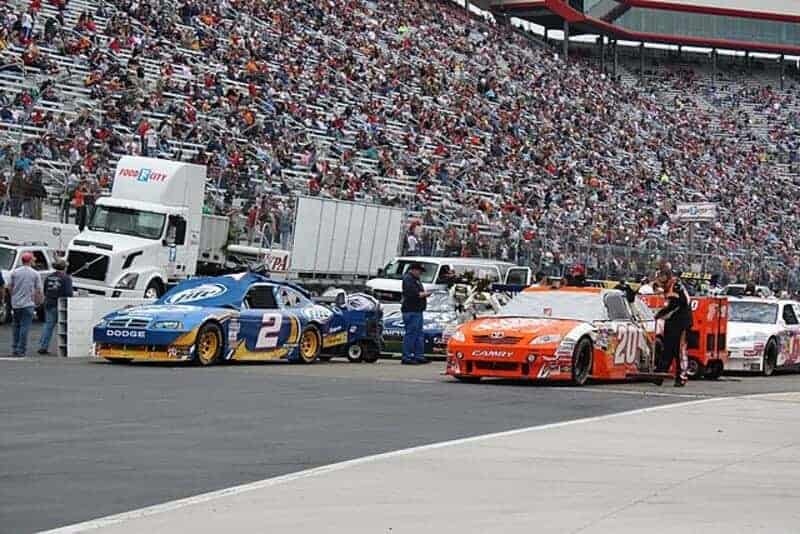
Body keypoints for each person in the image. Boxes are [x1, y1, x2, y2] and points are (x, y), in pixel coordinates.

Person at [654, 265, 692, 386]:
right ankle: (660, 375)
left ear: (667, 276)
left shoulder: (675, 285)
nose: (659, 279)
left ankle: (682, 376)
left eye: (661, 276)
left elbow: (677, 304)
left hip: (681, 323)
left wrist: (660, 313)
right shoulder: (668, 286)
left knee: (679, 350)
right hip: (671, 321)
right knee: (667, 349)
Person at [8, 252, 43, 357]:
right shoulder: (35, 273)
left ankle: (15, 348)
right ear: (30, 261)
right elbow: (38, 290)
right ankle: (21, 349)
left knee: (16, 326)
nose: (34, 261)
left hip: (16, 303)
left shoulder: (14, 272)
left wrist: (13, 295)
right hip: (28, 303)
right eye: (33, 260)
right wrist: (38, 301)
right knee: (25, 327)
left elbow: (10, 286)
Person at [38, 258, 72, 354]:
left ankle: (43, 346)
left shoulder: (49, 277)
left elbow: (45, 290)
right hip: (61, 304)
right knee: (64, 326)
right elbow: (68, 293)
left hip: (49, 302)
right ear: (65, 267)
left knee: (48, 325)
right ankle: (65, 346)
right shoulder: (66, 278)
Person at [401, 262, 430, 365]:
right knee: (411, 334)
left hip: (417, 310)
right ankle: (407, 356)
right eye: (419, 271)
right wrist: (425, 294)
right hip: (411, 310)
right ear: (413, 270)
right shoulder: (408, 279)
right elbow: (414, 294)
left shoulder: (415, 279)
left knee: (418, 334)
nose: (420, 273)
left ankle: (419, 355)